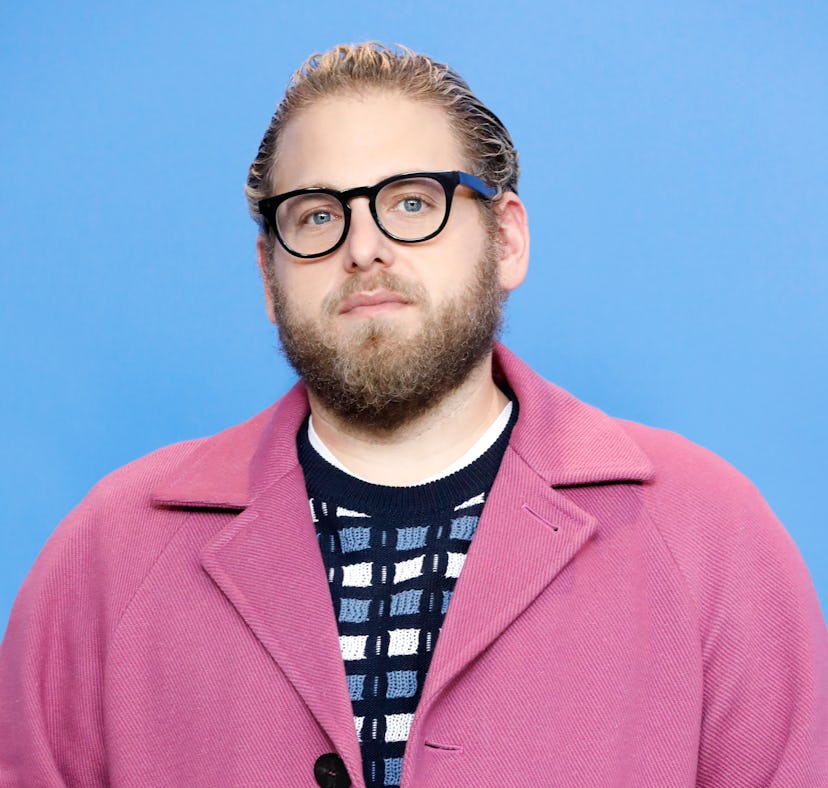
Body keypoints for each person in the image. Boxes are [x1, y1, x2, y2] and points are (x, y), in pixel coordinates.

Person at [1, 42, 825, 788]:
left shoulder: (708, 532)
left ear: (505, 240)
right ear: (268, 272)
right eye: (318, 216)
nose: (363, 248)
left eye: (410, 201)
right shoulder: (108, 553)